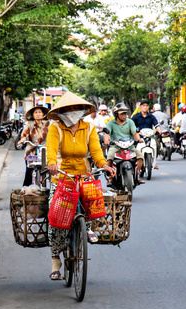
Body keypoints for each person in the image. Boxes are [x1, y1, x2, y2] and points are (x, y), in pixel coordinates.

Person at [46, 91, 115, 280]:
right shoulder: (55, 128)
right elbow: (51, 149)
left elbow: (96, 152)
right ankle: (55, 260)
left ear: (81, 110)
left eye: (75, 108)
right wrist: (51, 163)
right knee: (56, 218)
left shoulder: (90, 128)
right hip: (61, 177)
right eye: (67, 109)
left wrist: (104, 165)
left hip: (84, 175)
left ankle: (89, 226)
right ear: (61, 112)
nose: (71, 112)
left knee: (94, 198)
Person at [104, 102, 145, 184]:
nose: (124, 115)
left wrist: (139, 139)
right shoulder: (111, 123)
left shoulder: (130, 122)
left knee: (140, 156)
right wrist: (106, 141)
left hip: (129, 146)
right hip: (116, 146)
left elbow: (134, 133)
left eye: (125, 113)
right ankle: (110, 177)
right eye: (122, 113)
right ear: (116, 114)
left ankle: (136, 175)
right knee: (110, 157)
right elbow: (107, 134)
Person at [17, 105, 50, 186]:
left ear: (43, 114)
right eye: (36, 112)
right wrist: (22, 140)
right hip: (31, 151)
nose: (38, 114)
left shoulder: (48, 124)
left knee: (48, 171)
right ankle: (25, 190)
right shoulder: (29, 124)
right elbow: (24, 135)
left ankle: (49, 191)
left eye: (39, 112)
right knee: (29, 171)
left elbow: (53, 135)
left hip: (45, 151)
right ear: (32, 115)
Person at [131, 99, 162, 169]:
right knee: (132, 146)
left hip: (150, 135)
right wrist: (134, 132)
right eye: (143, 105)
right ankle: (134, 161)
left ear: (148, 107)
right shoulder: (136, 116)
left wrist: (159, 131)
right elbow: (131, 125)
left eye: (146, 106)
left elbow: (156, 125)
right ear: (140, 107)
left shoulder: (151, 116)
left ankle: (154, 162)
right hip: (139, 135)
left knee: (157, 144)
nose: (145, 107)